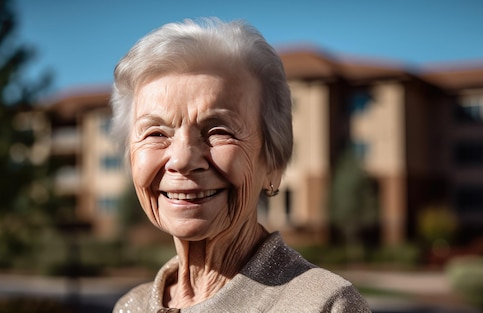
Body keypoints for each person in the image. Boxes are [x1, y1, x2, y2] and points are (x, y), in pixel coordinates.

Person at [110, 17, 371, 313]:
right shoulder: (130, 306)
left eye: (219, 131)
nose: (182, 160)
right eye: (156, 133)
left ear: (273, 162)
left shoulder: (325, 305)